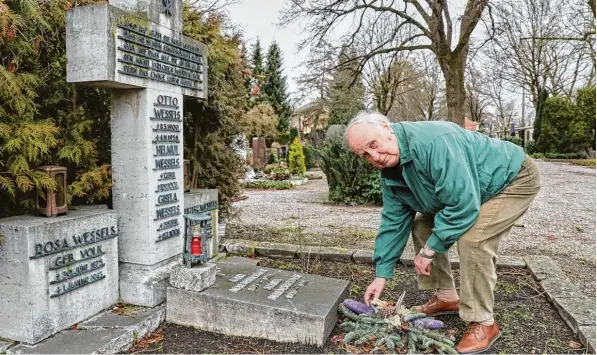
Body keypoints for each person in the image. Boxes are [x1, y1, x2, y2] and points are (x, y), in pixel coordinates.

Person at [343, 111, 541, 354]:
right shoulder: (390, 173)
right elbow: (393, 222)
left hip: (511, 178)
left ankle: (484, 322)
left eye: (374, 145)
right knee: (422, 226)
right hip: (473, 188)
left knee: (474, 240)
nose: (374, 156)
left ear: (386, 127)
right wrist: (381, 274)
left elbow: (462, 205)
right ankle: (447, 296)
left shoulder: (434, 142)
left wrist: (429, 250)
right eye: (365, 155)